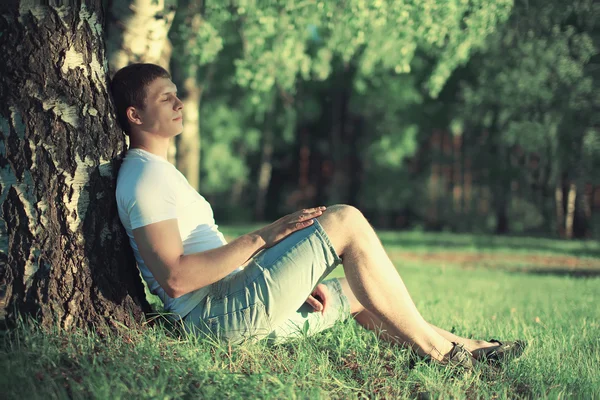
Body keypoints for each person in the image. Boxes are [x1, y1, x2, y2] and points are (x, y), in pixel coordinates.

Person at [110, 63, 525, 370]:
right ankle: (443, 357)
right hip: (216, 319)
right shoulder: (145, 177)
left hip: (233, 303)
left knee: (359, 288)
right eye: (166, 98)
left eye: (176, 93)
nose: (179, 102)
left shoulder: (159, 172)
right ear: (135, 115)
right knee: (344, 220)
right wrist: (264, 238)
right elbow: (177, 278)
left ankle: (474, 350)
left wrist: (286, 277)